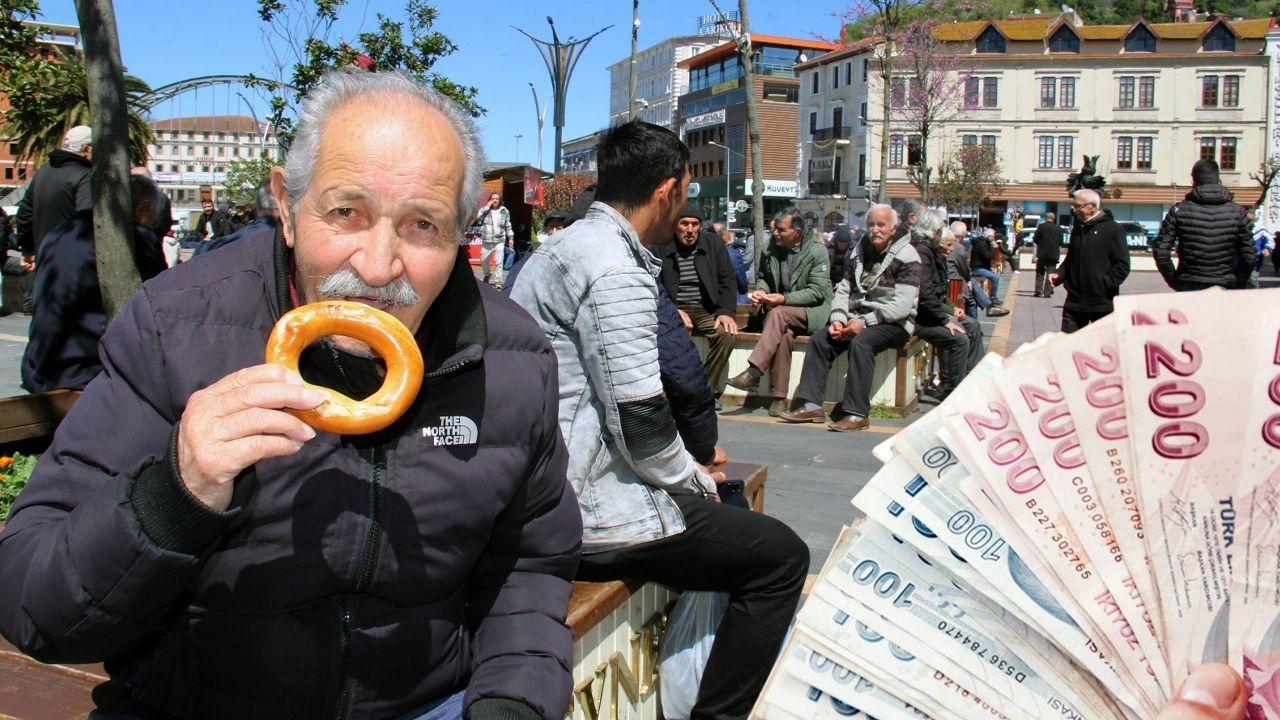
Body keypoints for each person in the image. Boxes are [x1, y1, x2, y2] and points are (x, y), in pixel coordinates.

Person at [0, 70, 581, 720]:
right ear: (285, 206)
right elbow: (35, 612)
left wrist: (512, 705)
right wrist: (176, 493)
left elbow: (529, 567)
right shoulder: (176, 328)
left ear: (462, 231)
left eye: (423, 224)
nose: (377, 265)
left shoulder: (513, 358)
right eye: (345, 213)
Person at [508, 119, 807, 720]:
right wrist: (694, 477)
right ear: (669, 189)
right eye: (689, 191)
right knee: (782, 559)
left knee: (735, 512)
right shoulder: (613, 268)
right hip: (590, 513)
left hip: (553, 491)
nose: (687, 205)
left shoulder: (567, 247)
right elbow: (641, 424)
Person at [20, 173, 168, 393]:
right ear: (143, 208)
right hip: (86, 371)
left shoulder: (61, 231)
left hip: (38, 367)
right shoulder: (135, 237)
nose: (152, 228)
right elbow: (161, 304)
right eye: (153, 220)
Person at [778, 203, 919, 432]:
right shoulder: (858, 251)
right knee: (820, 340)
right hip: (857, 315)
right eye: (871, 224)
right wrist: (838, 318)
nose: (875, 229)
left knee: (862, 343)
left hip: (894, 322)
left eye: (881, 225)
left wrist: (865, 322)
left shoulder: (908, 256)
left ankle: (857, 413)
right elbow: (843, 289)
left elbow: (902, 306)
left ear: (893, 229)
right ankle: (811, 405)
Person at [725, 207, 834, 417]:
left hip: (812, 311)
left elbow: (817, 292)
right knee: (783, 337)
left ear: (797, 232)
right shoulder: (770, 248)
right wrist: (762, 291)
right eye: (774, 228)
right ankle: (779, 399)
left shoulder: (817, 252)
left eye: (781, 230)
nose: (775, 233)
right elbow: (763, 277)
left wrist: (783, 299)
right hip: (782, 313)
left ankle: (754, 372)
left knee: (777, 314)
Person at [653, 203, 738, 399]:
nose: (690, 230)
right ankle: (666, 393)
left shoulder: (713, 243)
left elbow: (728, 279)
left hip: (703, 308)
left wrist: (726, 311)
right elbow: (652, 281)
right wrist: (670, 309)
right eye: (684, 224)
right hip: (671, 307)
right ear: (675, 225)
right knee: (668, 336)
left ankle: (702, 392)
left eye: (695, 224)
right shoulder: (660, 245)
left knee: (727, 334)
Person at [15, 125, 93, 312]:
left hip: (44, 259)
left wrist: (28, 250)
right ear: (86, 149)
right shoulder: (85, 176)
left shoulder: (43, 172)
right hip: (73, 265)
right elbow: (86, 219)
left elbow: (24, 214)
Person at [1152, 159, 1253, 291]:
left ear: (1193, 181)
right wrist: (1238, 282)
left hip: (1188, 284)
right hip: (1225, 285)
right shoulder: (1238, 212)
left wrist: (1175, 281)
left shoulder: (1179, 210)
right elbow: (1249, 257)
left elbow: (1161, 251)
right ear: (1218, 180)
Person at [909, 209, 969, 401]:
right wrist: (944, 319)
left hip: (927, 314)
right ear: (934, 231)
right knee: (960, 339)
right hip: (918, 318)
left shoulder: (927, 250)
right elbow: (926, 293)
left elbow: (936, 292)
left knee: (971, 327)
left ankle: (963, 380)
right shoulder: (922, 251)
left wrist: (948, 312)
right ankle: (952, 391)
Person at [1051, 188, 1130, 332]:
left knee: (1100, 349)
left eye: (1077, 206)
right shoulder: (1078, 229)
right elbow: (1070, 260)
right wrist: (1059, 274)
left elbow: (1122, 265)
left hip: (1101, 304)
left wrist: (1103, 284)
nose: (1074, 210)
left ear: (1093, 206)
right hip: (1074, 302)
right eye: (1073, 206)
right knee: (1068, 345)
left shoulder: (1113, 229)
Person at [194, 181, 280, 256]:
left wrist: (211, 241)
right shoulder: (231, 221)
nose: (239, 210)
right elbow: (227, 235)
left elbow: (223, 233)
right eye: (238, 208)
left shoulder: (253, 224)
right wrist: (203, 239)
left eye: (241, 207)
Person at [476, 191, 513, 288]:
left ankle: (498, 281)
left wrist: (510, 238)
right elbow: (477, 216)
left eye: (497, 199)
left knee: (499, 261)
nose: (495, 200)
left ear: (500, 200)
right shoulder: (486, 210)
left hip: (499, 241)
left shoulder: (505, 211)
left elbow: (508, 225)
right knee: (483, 260)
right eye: (493, 199)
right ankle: (487, 274)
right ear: (490, 200)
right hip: (487, 241)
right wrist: (487, 206)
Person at [970, 227, 1004, 305]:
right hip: (977, 269)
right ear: (988, 236)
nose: (994, 238)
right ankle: (993, 298)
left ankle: (992, 297)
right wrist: (994, 248)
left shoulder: (984, 243)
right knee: (996, 277)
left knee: (994, 275)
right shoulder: (981, 244)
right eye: (993, 237)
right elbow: (989, 257)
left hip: (981, 267)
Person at [1033, 211, 1063, 297]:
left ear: (1046, 218)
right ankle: (1048, 292)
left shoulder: (1041, 227)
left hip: (1042, 253)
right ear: (1054, 218)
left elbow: (1035, 239)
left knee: (1040, 272)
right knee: (1051, 273)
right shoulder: (1058, 228)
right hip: (1053, 254)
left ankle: (1038, 291)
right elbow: (1061, 242)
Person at [1250, 207, 1274, 288]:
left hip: (1255, 258)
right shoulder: (1240, 226)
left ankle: (1254, 296)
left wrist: (1267, 248)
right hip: (1239, 259)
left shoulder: (1261, 229)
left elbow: (1270, 241)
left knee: (1252, 279)